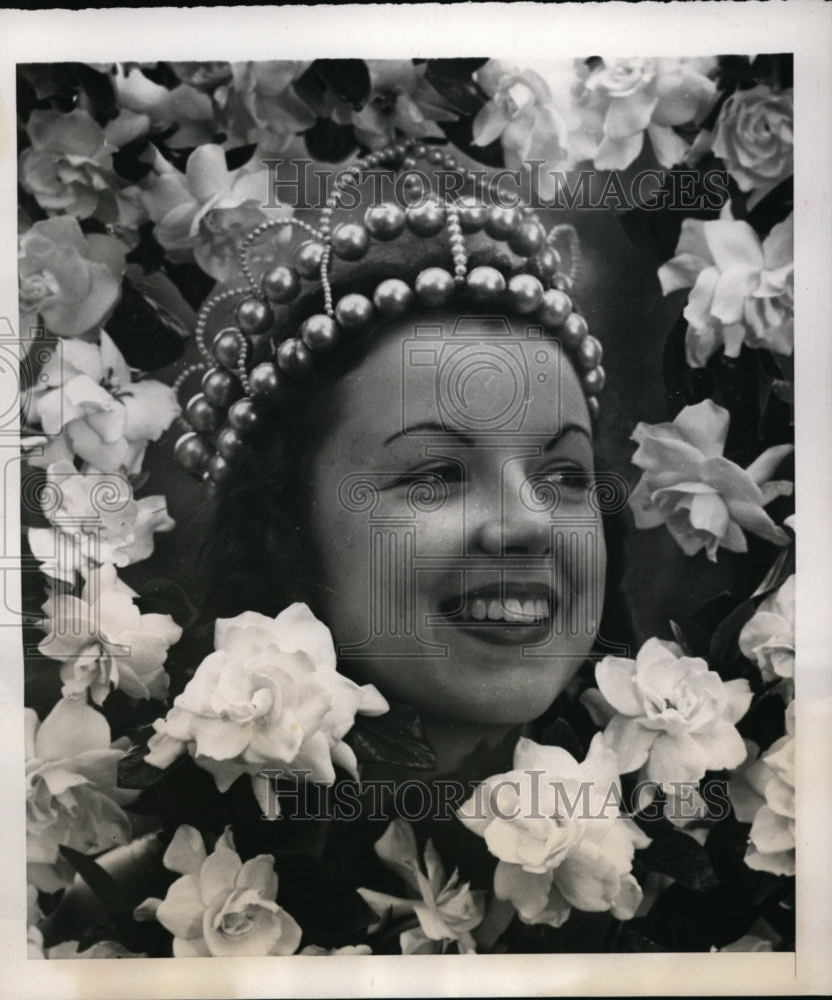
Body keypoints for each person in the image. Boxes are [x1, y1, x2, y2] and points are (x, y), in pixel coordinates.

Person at [44, 142, 638, 953]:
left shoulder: (712, 873)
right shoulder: (133, 908)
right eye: (436, 472)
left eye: (564, 473)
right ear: (287, 530)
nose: (529, 523)